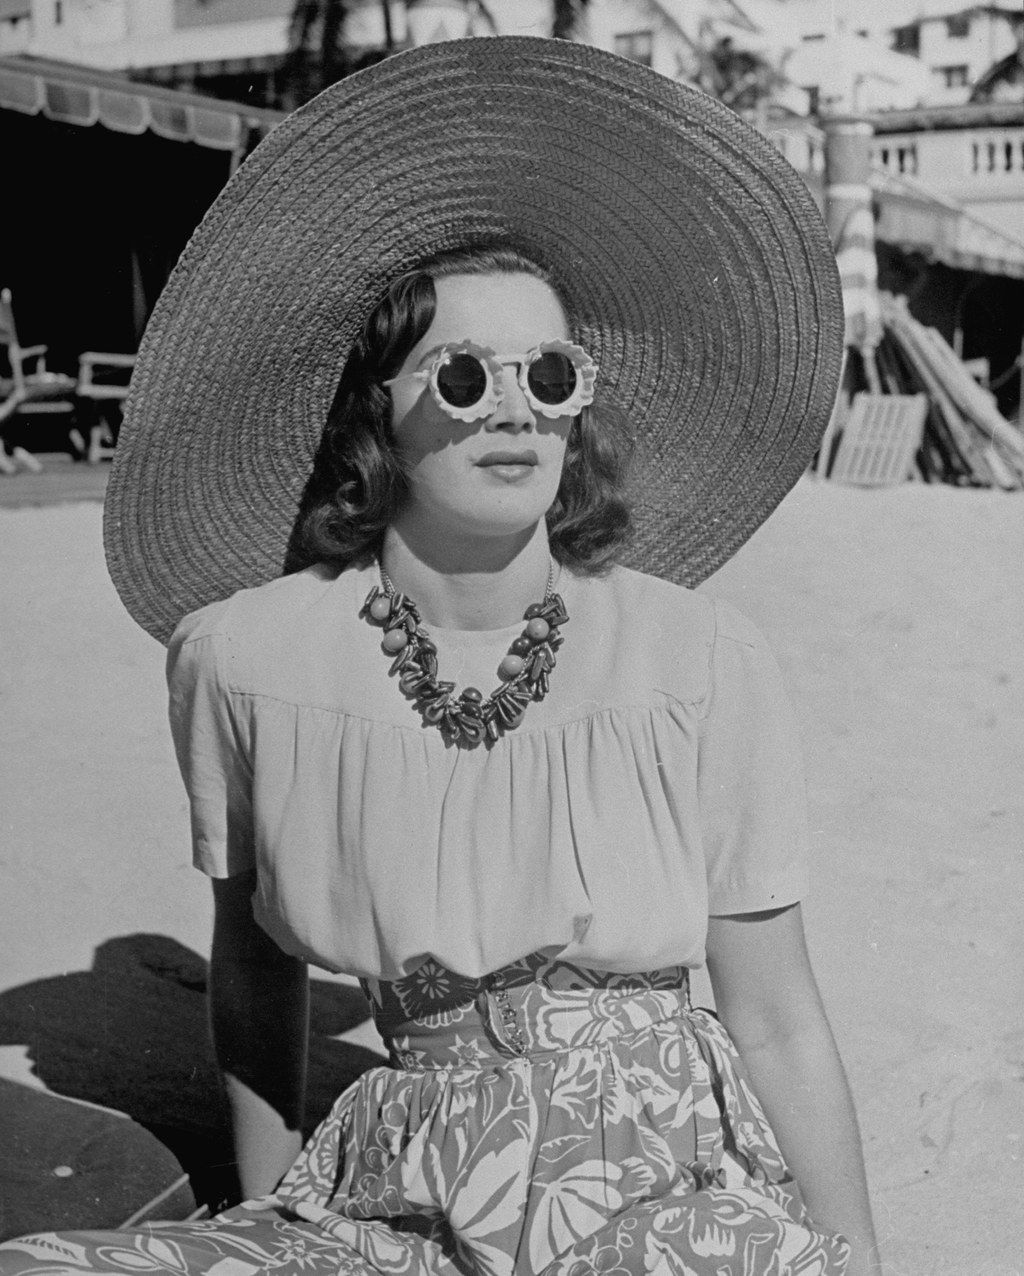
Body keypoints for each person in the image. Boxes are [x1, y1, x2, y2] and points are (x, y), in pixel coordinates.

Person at [0, 37, 881, 1276]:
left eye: (550, 374)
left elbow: (777, 1016)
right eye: (462, 376)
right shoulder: (246, 661)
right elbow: (255, 972)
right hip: (393, 1177)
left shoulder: (699, 659)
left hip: (659, 1173)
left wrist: (857, 1253)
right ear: (376, 410)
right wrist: (274, 1211)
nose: (514, 407)